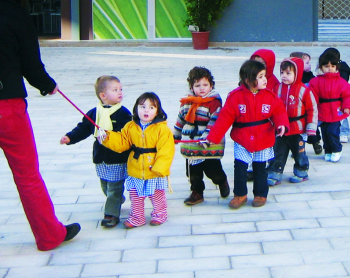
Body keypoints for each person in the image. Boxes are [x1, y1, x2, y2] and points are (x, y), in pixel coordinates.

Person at [0, 0, 80, 251]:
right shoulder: (16, 14)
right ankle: (48, 236)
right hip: (7, 107)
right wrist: (47, 85)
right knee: (27, 174)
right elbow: (31, 65)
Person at [206, 60, 289, 209]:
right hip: (242, 137)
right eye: (261, 76)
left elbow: (279, 111)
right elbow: (224, 119)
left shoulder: (270, 96)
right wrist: (213, 138)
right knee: (240, 167)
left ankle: (260, 194)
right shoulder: (235, 97)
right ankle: (240, 194)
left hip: (263, 137)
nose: (265, 80)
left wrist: (281, 124)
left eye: (265, 76)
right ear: (248, 79)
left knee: (260, 168)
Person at [60, 76, 131, 228]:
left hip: (118, 157)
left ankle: (111, 214)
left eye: (120, 89)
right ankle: (116, 199)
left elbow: (129, 134)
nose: (120, 93)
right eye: (115, 90)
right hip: (101, 156)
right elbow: (84, 128)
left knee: (114, 187)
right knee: (105, 186)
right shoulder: (94, 112)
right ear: (103, 95)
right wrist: (70, 137)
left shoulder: (123, 113)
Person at [100, 92, 175, 228]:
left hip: (153, 170)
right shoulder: (130, 126)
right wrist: (108, 137)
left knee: (156, 196)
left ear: (157, 111)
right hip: (135, 168)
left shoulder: (162, 129)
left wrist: (160, 167)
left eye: (151, 107)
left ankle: (160, 214)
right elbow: (122, 142)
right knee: (135, 196)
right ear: (136, 108)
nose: (146, 110)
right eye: (142, 106)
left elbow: (166, 150)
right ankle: (137, 217)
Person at [173, 67, 229, 206]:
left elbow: (214, 122)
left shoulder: (214, 102)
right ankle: (197, 192)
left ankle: (221, 180)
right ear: (192, 87)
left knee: (212, 169)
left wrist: (206, 138)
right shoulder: (187, 101)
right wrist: (176, 134)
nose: (202, 88)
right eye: (197, 85)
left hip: (207, 143)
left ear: (211, 85)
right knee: (193, 171)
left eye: (205, 85)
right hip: (191, 142)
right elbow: (181, 118)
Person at [267, 57, 318, 185]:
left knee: (299, 152)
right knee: (278, 151)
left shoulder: (304, 90)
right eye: (282, 73)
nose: (284, 76)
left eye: (288, 73)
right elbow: (271, 107)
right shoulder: (277, 89)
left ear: (298, 73)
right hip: (280, 128)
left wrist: (311, 127)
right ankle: (274, 173)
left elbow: (312, 109)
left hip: (298, 129)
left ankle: (301, 171)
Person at [309, 48, 350, 162]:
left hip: (336, 110)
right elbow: (312, 95)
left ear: (336, 67)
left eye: (333, 66)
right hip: (322, 110)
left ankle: (337, 149)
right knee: (324, 132)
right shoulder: (316, 81)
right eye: (327, 66)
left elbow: (348, 95)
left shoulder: (341, 82)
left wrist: (347, 107)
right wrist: (312, 107)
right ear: (321, 67)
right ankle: (328, 150)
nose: (330, 69)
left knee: (333, 132)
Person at [246, 49, 280, 180]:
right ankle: (249, 167)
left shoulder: (274, 83)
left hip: (266, 120)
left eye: (262, 64)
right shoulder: (248, 79)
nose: (258, 67)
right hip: (250, 118)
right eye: (255, 63)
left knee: (265, 144)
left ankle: (265, 164)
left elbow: (277, 104)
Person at [289, 52, 323, 155]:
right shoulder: (293, 78)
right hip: (297, 110)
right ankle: (297, 148)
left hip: (309, 108)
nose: (310, 64)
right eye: (307, 62)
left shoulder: (311, 77)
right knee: (297, 130)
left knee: (313, 127)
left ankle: (316, 143)